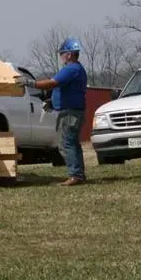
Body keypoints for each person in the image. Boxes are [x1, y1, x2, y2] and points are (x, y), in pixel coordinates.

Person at [20, 37, 88, 186]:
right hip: (73, 111)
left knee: (66, 144)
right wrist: (53, 102)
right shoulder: (77, 69)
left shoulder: (71, 69)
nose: (61, 56)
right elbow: (66, 90)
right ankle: (79, 174)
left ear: (69, 54)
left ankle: (75, 176)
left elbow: (52, 83)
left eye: (62, 53)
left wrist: (30, 83)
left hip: (69, 113)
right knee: (73, 143)